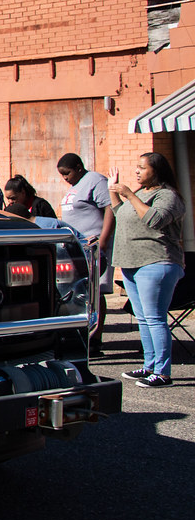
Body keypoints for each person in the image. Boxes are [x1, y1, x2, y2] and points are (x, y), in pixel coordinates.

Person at [110, 152, 186, 388]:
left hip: (157, 262)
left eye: (142, 168)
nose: (137, 171)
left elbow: (154, 220)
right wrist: (113, 190)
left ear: (157, 171)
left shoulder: (167, 195)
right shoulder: (141, 195)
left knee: (154, 318)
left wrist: (129, 194)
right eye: (136, 167)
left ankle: (163, 373)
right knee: (143, 318)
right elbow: (119, 214)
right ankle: (149, 365)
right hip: (131, 263)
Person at [57, 152, 116, 354]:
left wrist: (104, 240)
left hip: (92, 247)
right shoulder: (75, 187)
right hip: (75, 249)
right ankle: (82, 335)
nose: (65, 177)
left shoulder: (95, 180)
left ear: (79, 168)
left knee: (94, 292)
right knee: (81, 292)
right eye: (62, 174)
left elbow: (111, 208)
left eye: (67, 173)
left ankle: (95, 337)